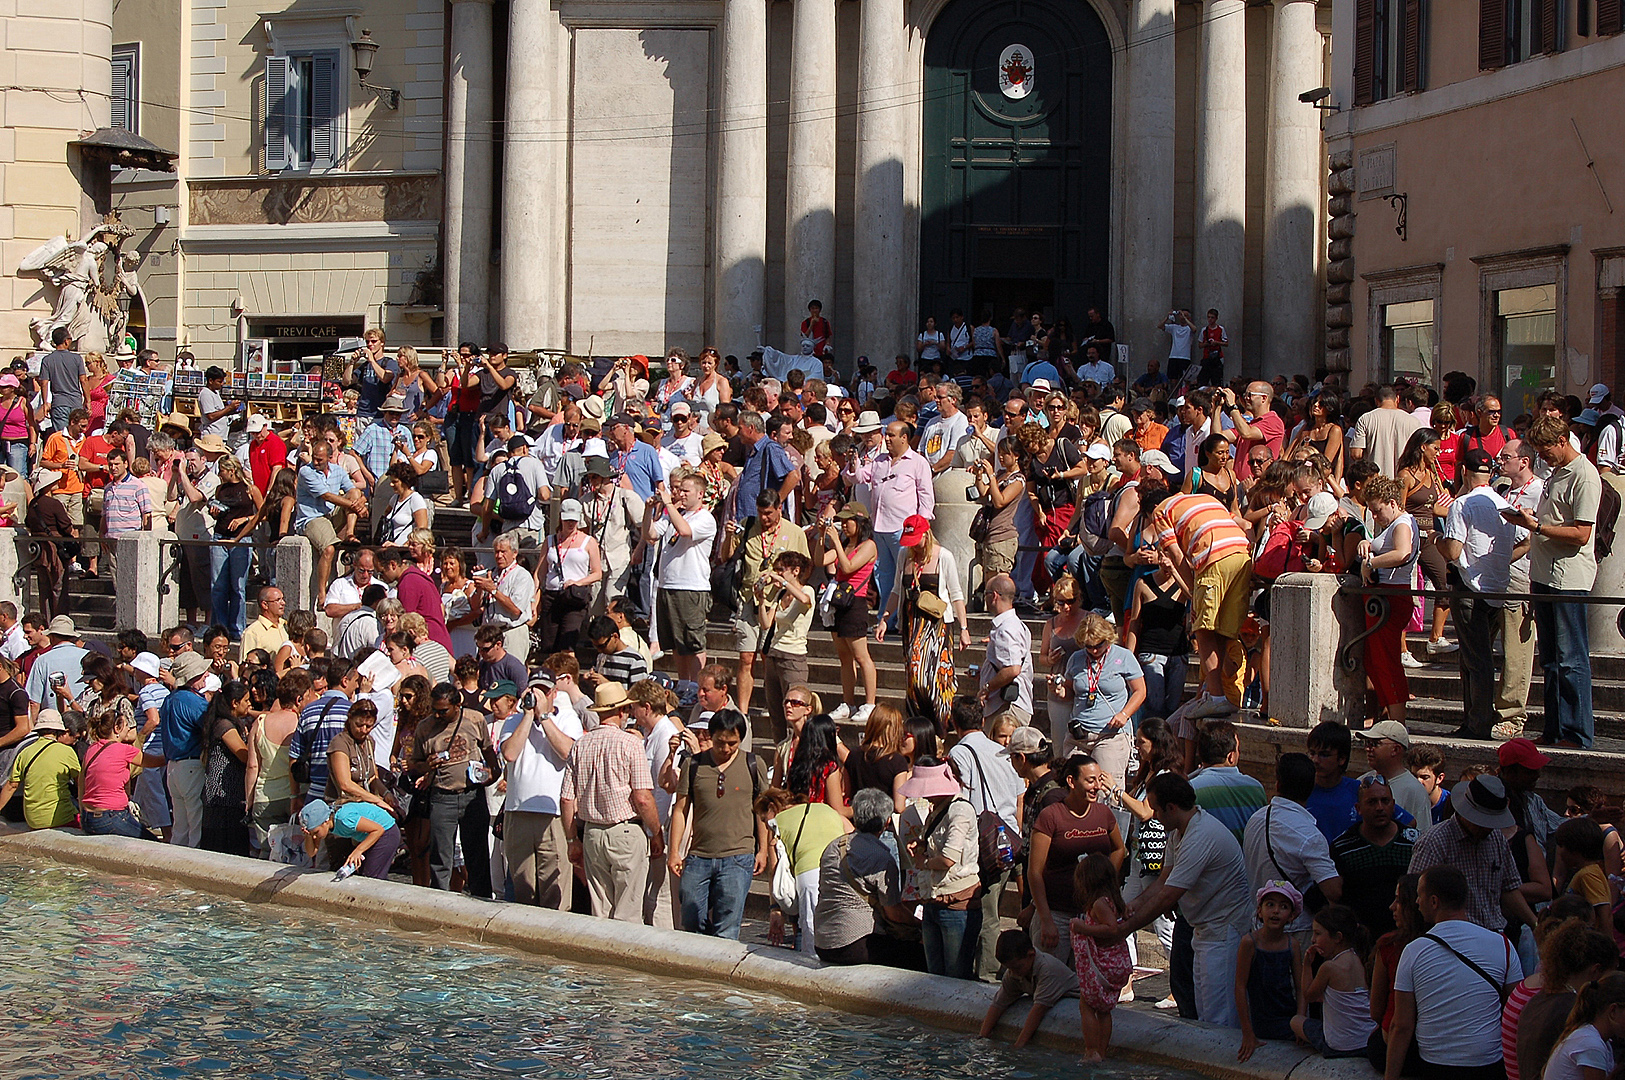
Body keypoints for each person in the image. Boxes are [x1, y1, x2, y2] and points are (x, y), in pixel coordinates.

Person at [1077, 773, 1252, 1027]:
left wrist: (1124, 929)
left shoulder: (1200, 835)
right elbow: (1161, 882)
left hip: (1225, 931)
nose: (1154, 816)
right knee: (1204, 1009)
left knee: (1219, 1014)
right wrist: (1130, 907)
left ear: (1171, 808)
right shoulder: (1179, 833)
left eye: (1156, 810)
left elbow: (1170, 894)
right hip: (1205, 931)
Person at [1501, 415, 1603, 748]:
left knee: (1571, 657)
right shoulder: (1557, 473)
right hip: (1544, 574)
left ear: (1562, 441)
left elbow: (1581, 533)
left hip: (1568, 577)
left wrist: (1538, 528)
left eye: (1547, 450)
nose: (1543, 457)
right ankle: (1556, 727)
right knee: (1551, 658)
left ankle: (1576, 732)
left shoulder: (1584, 476)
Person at [1385, 865, 1522, 1080]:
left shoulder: (1414, 951)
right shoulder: (1502, 944)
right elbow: (1516, 1010)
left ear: (1434, 901)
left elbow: (1401, 1025)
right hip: (1489, 1063)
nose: (1416, 902)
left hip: (1436, 1064)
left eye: (1419, 896)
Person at [563, 681, 665, 921]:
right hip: (626, 831)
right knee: (628, 912)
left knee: (600, 910)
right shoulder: (630, 744)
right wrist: (656, 833)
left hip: (592, 833)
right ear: (622, 712)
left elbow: (567, 798)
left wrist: (571, 839)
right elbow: (642, 798)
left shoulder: (580, 744)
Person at [1146, 489, 1251, 720]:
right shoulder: (1206, 499)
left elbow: (1176, 554)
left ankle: (1215, 697)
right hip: (1242, 554)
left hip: (1213, 555)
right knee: (1222, 629)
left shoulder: (1161, 512)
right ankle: (1215, 693)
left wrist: (1193, 591)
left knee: (1203, 629)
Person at [666, 708, 768, 940]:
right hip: (699, 855)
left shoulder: (753, 764)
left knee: (728, 925)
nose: (726, 749)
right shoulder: (693, 765)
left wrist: (762, 850)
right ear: (710, 737)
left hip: (738, 856)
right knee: (690, 913)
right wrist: (674, 851)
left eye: (732, 743)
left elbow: (762, 812)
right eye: (720, 742)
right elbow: (681, 810)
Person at [1409, 774, 1539, 937]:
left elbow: (1508, 889)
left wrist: (1535, 924)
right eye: (1482, 823)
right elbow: (1414, 896)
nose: (1487, 828)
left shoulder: (1496, 839)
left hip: (1495, 934)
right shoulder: (1434, 842)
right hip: (1454, 939)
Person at [1026, 753, 1122, 966]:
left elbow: (1119, 849)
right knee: (1051, 980)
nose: (1097, 786)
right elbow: (1035, 872)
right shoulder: (1051, 816)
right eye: (1090, 780)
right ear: (1071, 781)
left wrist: (1106, 883)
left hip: (1092, 917)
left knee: (1086, 983)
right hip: (1057, 914)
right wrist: (1045, 919)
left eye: (1099, 779)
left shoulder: (1103, 813)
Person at [814, 787, 924, 969]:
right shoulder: (881, 857)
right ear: (887, 821)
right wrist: (920, 925)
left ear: (856, 817)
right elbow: (893, 912)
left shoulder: (833, 847)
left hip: (823, 942)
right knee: (921, 957)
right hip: (855, 943)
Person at [499, 674, 582, 909]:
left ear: (554, 693)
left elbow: (568, 752)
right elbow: (510, 754)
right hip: (518, 811)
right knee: (523, 885)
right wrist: (527, 716)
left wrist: (544, 717)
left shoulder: (567, 718)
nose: (538, 696)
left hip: (553, 813)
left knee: (554, 886)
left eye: (543, 692)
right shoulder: (513, 721)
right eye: (533, 691)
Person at [1241, 753, 1343, 942]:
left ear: (1278, 784)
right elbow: (1333, 890)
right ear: (1311, 788)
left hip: (1259, 926)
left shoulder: (1255, 819)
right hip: (1296, 931)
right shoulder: (1309, 835)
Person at [879, 517, 968, 729]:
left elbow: (956, 594)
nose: (913, 546)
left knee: (934, 678)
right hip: (912, 623)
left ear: (926, 534)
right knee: (914, 677)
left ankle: (940, 725)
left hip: (936, 625)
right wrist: (885, 618)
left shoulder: (943, 556)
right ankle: (918, 726)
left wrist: (964, 628)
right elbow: (896, 589)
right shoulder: (904, 555)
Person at [410, 681, 497, 898]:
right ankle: (440, 900)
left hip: (472, 796)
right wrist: (427, 765)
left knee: (476, 854)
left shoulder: (474, 720)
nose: (438, 716)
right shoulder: (425, 728)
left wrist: (491, 775)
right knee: (441, 856)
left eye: (443, 711)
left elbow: (489, 753)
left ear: (457, 706)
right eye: (435, 710)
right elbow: (415, 764)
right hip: (442, 797)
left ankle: (481, 898)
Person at [897, 759, 982, 980]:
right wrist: (922, 845)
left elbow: (948, 859)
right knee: (934, 974)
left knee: (955, 975)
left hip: (956, 904)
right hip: (933, 899)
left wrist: (922, 862)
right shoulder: (938, 811)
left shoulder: (960, 810)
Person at [844, 420, 934, 624]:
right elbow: (859, 477)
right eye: (886, 435)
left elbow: (926, 495)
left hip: (903, 530)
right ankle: (887, 619)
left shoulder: (917, 462)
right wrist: (853, 463)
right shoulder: (879, 461)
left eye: (891, 435)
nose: (887, 439)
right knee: (884, 576)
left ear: (904, 437)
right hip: (879, 527)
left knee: (906, 575)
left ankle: (907, 618)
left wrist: (921, 525)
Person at [1357, 476, 1420, 721]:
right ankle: (1389, 714)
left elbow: (1402, 553)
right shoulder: (1394, 524)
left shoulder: (1402, 523)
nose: (1374, 516)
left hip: (1390, 598)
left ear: (1392, 503)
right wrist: (1367, 543)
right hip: (1383, 597)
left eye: (1377, 510)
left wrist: (1370, 562)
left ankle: (1397, 719)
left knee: (1386, 661)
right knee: (1375, 660)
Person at [645, 474, 716, 683]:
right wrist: (648, 510)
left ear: (700, 494)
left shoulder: (705, 518)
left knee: (692, 643)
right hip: (667, 585)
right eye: (680, 490)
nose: (681, 494)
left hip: (691, 587)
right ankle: (684, 684)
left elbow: (684, 531)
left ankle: (696, 686)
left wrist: (669, 503)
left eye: (686, 491)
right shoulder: (673, 514)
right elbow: (650, 534)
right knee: (675, 643)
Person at [764, 781, 849, 955]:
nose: (765, 824)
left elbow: (774, 869)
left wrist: (775, 910)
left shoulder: (776, 823)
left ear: (772, 808)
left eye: (763, 818)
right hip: (841, 869)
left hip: (809, 874)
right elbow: (851, 832)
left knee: (811, 930)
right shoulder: (826, 809)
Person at [813, 502, 878, 721]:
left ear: (859, 522)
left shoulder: (868, 545)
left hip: (855, 602)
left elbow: (849, 567)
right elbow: (820, 560)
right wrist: (822, 537)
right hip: (837, 602)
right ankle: (848, 702)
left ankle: (869, 703)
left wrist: (837, 544)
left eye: (848, 520)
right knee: (844, 656)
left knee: (861, 655)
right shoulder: (844, 544)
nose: (844, 524)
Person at [1331, 776, 1418, 937]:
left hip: (1406, 938)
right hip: (1360, 940)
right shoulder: (1342, 847)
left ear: (1393, 804)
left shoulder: (1414, 843)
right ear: (1358, 808)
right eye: (1371, 802)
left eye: (1385, 801)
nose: (1379, 808)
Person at [1292, 904, 1378, 1060]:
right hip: (1366, 1042)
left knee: (1295, 1021)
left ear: (1338, 937)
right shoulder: (1360, 960)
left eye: (1318, 934)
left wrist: (1307, 965)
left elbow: (1308, 995)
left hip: (1339, 1046)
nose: (1312, 940)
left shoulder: (1329, 967)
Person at [1070, 855, 1135, 1062]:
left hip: (1102, 965)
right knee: (1104, 1010)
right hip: (1112, 963)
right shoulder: (1113, 900)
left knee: (1086, 1005)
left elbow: (1111, 928)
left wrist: (1083, 928)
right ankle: (1102, 1052)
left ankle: (1091, 1050)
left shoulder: (1099, 904)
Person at [1235, 880, 1304, 1062]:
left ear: (1291, 916)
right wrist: (1247, 1031)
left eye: (1283, 907)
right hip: (1262, 1021)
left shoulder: (1292, 945)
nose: (1275, 911)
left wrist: (1301, 1021)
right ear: (1259, 911)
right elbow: (1240, 987)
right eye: (1270, 905)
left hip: (1288, 1018)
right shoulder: (1250, 943)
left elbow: (1300, 988)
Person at [980, 928, 1078, 1049]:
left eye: (1017, 967)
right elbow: (998, 1004)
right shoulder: (1014, 972)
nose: (1014, 973)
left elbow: (1039, 1010)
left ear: (1031, 955)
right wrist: (982, 1036)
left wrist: (1018, 1045)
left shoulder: (1047, 969)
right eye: (1010, 969)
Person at [157, 651, 212, 846]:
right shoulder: (194, 702)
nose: (207, 674)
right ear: (192, 676)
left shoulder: (169, 700)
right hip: (191, 767)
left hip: (173, 768)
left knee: (180, 827)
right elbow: (210, 727)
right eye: (203, 671)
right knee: (196, 825)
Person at [0, 708, 81, 829]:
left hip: (32, 820)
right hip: (61, 817)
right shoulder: (66, 751)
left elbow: (11, 786)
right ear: (59, 730)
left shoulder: (26, 752)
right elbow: (81, 783)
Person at [977, 574, 1033, 730]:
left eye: (986, 593)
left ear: (994, 596)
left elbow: (1012, 669)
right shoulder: (1017, 625)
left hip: (1007, 708)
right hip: (1009, 705)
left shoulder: (1006, 629)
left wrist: (987, 688)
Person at [297, 797, 401, 879]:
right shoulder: (322, 826)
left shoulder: (344, 818)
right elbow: (311, 853)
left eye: (315, 832)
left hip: (387, 832)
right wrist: (308, 835)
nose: (315, 836)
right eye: (312, 833)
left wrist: (358, 851)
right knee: (364, 875)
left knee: (372, 877)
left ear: (326, 821)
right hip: (372, 835)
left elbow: (378, 830)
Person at [1349, 385, 1423, 477]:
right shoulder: (1413, 421)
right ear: (1397, 399)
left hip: (1375, 480)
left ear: (1376, 400)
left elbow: (1356, 454)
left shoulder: (1366, 419)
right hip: (1403, 480)